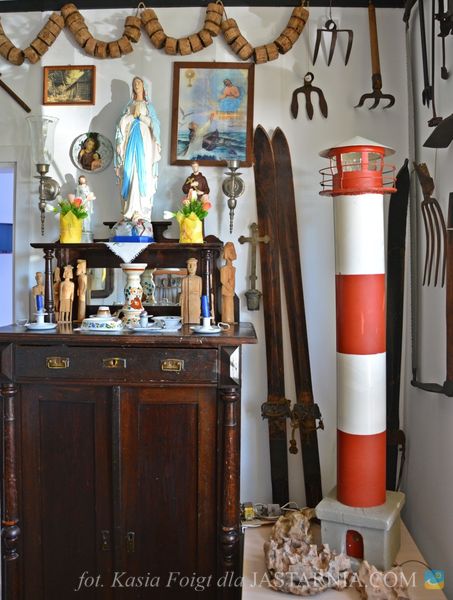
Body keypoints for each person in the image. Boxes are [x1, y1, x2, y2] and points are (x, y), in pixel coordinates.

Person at [115, 76, 161, 225]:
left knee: (144, 172)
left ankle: (142, 211)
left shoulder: (149, 106)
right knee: (130, 170)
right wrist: (130, 116)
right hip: (130, 143)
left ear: (143, 86)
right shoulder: (128, 106)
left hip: (145, 143)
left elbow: (155, 125)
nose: (136, 85)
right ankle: (129, 211)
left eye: (139, 83)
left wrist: (141, 117)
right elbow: (120, 125)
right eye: (134, 83)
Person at [180, 258, 202, 324]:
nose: (191, 267)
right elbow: (183, 293)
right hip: (186, 302)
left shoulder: (199, 279)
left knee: (195, 317)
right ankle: (186, 321)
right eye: (189, 265)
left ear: (196, 267)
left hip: (196, 302)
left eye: (193, 265)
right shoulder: (184, 279)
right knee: (187, 317)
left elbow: (200, 293)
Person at [220, 242, 237, 323]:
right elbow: (223, 280)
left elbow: (232, 280)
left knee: (230, 306)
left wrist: (232, 289)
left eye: (233, 251)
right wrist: (230, 289)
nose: (232, 253)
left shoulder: (233, 268)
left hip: (231, 291)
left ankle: (230, 320)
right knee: (227, 306)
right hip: (227, 291)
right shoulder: (224, 269)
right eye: (230, 251)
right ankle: (227, 321)